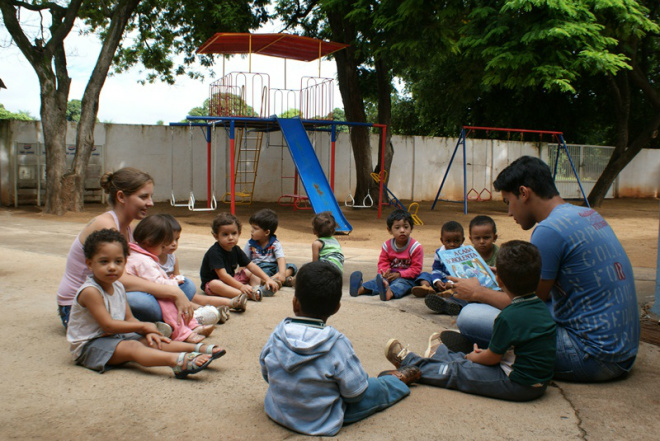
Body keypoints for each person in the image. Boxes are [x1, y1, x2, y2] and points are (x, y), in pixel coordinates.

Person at [451, 156, 639, 382]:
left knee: (469, 317)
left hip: (592, 357)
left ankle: (494, 352)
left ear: (524, 193)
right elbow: (547, 293)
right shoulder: (587, 214)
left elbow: (529, 305)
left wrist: (477, 293)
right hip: (624, 349)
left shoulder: (548, 230)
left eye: (508, 202)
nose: (510, 212)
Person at [259, 261, 421, 436]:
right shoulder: (336, 343)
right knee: (374, 388)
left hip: (278, 410)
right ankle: (396, 381)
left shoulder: (278, 333)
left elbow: (266, 373)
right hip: (322, 418)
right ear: (336, 308)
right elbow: (355, 394)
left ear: (295, 303)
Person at [384, 240, 556, 402]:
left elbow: (492, 359)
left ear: (498, 280)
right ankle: (442, 354)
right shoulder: (541, 309)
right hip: (537, 381)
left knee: (460, 371)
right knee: (469, 360)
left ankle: (411, 363)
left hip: (516, 383)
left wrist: (477, 356)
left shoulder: (507, 317)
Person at [66, 228, 225, 378]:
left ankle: (197, 348)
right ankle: (176, 361)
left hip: (115, 336)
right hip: (90, 346)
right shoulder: (91, 291)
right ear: (89, 263)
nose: (112, 267)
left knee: (152, 339)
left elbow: (129, 319)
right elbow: (108, 325)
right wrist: (142, 326)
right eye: (104, 261)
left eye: (118, 261)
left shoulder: (118, 286)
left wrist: (147, 332)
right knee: (133, 347)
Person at [56, 167, 195, 328]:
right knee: (145, 303)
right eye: (144, 197)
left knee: (187, 285)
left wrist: (172, 286)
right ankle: (170, 319)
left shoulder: (129, 229)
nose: (150, 203)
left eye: (151, 197)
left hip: (112, 293)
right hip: (80, 306)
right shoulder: (106, 226)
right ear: (121, 197)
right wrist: (172, 292)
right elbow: (120, 278)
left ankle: (171, 319)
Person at [126, 215, 214, 343]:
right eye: (162, 246)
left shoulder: (141, 254)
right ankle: (182, 333)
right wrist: (174, 282)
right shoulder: (142, 260)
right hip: (142, 295)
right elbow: (157, 283)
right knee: (168, 301)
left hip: (149, 291)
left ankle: (192, 324)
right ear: (150, 242)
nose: (163, 249)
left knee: (183, 289)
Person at [158, 214, 230, 324]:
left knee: (190, 293)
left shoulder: (172, 258)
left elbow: (178, 277)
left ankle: (230, 304)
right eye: (169, 240)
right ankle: (206, 312)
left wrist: (177, 279)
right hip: (164, 293)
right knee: (185, 300)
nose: (174, 244)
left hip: (175, 290)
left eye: (176, 240)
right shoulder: (151, 261)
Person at [200, 212, 279, 303]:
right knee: (215, 284)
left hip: (232, 279)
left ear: (239, 233)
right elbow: (223, 276)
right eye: (225, 234)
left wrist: (267, 279)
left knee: (250, 272)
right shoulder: (214, 252)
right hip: (217, 283)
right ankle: (245, 294)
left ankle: (256, 289)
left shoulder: (236, 249)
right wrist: (241, 287)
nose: (230, 238)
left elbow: (251, 266)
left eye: (234, 233)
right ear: (216, 236)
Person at [349, 209, 423, 301]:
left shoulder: (415, 247)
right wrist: (384, 273)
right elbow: (383, 262)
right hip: (390, 276)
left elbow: (416, 269)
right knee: (377, 282)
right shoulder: (387, 246)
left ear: (411, 228)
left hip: (407, 278)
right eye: (397, 227)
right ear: (389, 230)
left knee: (400, 285)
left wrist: (400, 274)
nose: (402, 230)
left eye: (406, 227)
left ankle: (390, 293)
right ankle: (360, 289)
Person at [410, 221, 466, 316]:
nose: (452, 244)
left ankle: (449, 292)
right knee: (424, 275)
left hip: (456, 280)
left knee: (462, 286)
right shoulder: (439, 252)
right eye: (448, 241)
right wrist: (437, 281)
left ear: (462, 240)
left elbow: (464, 274)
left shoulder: (464, 253)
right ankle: (427, 288)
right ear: (442, 240)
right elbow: (436, 269)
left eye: (456, 241)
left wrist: (451, 283)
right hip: (442, 279)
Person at [243, 209, 297, 289]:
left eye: (255, 228)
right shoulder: (250, 244)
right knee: (253, 274)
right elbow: (243, 260)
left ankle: (278, 278)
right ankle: (280, 280)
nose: (251, 231)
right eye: (252, 227)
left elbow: (280, 258)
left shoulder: (275, 243)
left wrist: (282, 273)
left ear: (267, 232)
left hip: (273, 267)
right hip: (259, 269)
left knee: (292, 267)